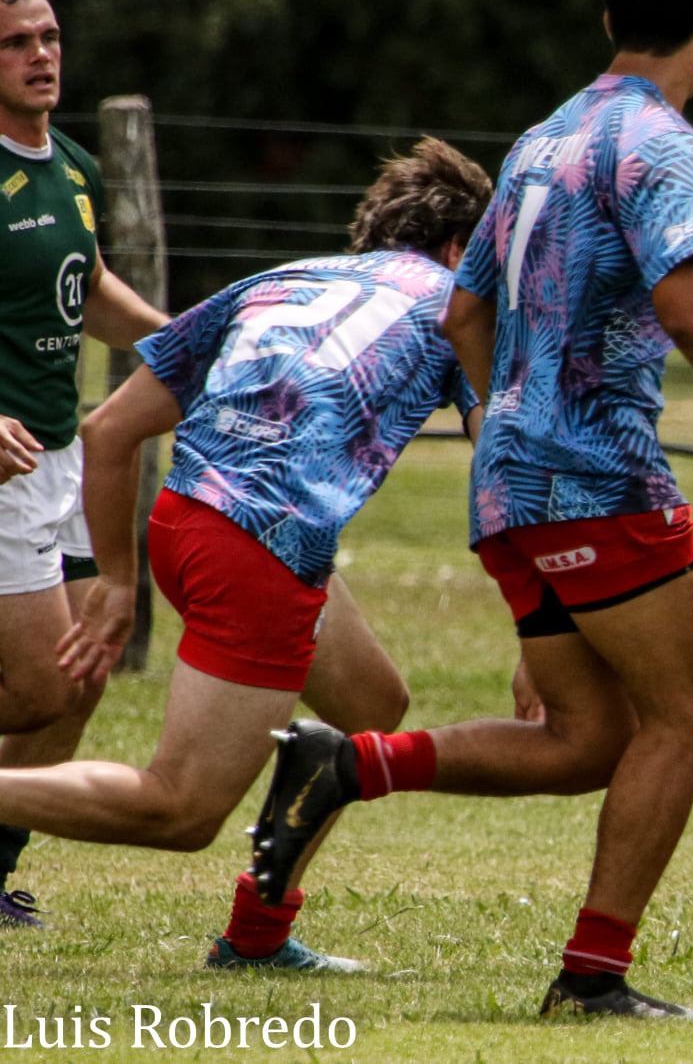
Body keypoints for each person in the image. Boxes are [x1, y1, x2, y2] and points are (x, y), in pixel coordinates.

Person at [249, 0, 693, 1021]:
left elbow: (466, 310)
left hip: (509, 480)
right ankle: (593, 977)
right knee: (686, 717)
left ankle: (350, 765)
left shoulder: (544, 138)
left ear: (609, 20)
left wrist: (514, 427)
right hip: (599, 475)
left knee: (590, 739)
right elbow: (691, 304)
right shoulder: (666, 149)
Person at [0, 137, 492, 970]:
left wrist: (120, 581)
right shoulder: (460, 304)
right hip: (263, 541)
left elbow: (109, 429)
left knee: (367, 702)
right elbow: (502, 462)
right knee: (179, 809)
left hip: (186, 520)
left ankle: (258, 934)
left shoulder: (286, 278)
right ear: (458, 250)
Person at [0, 0, 169, 927]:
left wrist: (178, 345)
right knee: (29, 690)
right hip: (6, 464)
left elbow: (90, 285)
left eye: (50, 37)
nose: (40, 55)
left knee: (77, 677)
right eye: (17, 42)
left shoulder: (72, 166)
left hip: (61, 460)